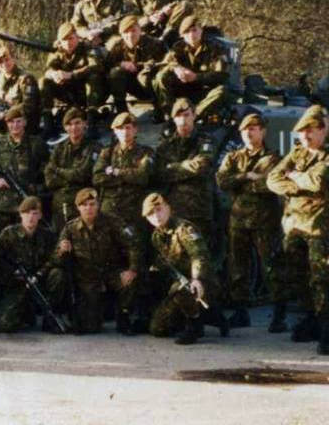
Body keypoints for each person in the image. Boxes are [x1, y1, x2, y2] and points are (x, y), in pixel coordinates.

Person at [266, 106, 329, 354]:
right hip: (294, 227)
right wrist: (296, 182)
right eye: (302, 132)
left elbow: (318, 181)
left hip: (320, 227)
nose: (305, 136)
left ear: (322, 131)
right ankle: (310, 319)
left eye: (310, 131)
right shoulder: (297, 153)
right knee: (297, 275)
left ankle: (326, 326)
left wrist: (293, 176)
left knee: (321, 277)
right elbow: (272, 179)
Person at [216, 113, 284, 330]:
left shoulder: (273, 158)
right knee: (238, 268)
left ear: (263, 131)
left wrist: (239, 183)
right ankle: (240, 312)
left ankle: (279, 316)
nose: (248, 133)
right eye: (245, 129)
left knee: (271, 267)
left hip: (265, 221)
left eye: (253, 129)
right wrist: (246, 176)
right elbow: (221, 181)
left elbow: (269, 184)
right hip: (239, 221)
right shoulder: (233, 157)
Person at [46, 188, 140, 335]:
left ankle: (124, 316)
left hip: (110, 272)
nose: (88, 208)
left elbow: (132, 245)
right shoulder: (70, 228)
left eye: (92, 204)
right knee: (90, 328)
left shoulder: (112, 222)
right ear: (78, 207)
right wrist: (62, 251)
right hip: (87, 279)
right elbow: (55, 259)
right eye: (84, 205)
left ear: (98, 205)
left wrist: (132, 269)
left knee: (129, 281)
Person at [142, 193, 229, 345]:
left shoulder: (184, 229)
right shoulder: (157, 236)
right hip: (180, 284)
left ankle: (195, 325)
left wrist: (197, 279)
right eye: (150, 214)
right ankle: (211, 315)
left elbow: (199, 255)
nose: (156, 216)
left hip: (203, 282)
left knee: (183, 289)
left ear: (168, 208)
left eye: (159, 209)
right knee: (158, 329)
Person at [154, 99, 217, 264]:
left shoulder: (205, 140)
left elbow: (202, 165)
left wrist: (173, 167)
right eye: (179, 116)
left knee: (201, 260)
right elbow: (160, 174)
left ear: (194, 115)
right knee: (176, 259)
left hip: (199, 209)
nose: (183, 120)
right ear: (173, 118)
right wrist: (187, 166)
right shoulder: (165, 146)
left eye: (187, 115)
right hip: (173, 210)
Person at [0, 197, 62, 333]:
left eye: (34, 213)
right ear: (20, 214)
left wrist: (39, 274)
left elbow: (54, 259)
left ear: (40, 215)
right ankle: (26, 313)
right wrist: (12, 273)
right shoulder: (9, 233)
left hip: (39, 282)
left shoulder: (47, 235)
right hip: (17, 284)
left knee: (57, 274)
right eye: (27, 213)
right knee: (5, 325)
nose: (31, 217)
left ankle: (49, 319)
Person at [152, 15, 230, 121]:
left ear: (201, 30)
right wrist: (176, 68)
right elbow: (165, 63)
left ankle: (193, 117)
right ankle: (173, 115)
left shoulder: (215, 48)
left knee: (222, 91)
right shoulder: (178, 47)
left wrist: (196, 77)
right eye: (187, 32)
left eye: (194, 30)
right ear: (182, 35)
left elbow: (222, 75)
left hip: (205, 90)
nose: (191, 35)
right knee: (161, 77)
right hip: (184, 89)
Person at [0, 105, 48, 232]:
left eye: (18, 121)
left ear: (24, 122)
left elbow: (47, 169)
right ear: (6, 123)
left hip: (28, 204)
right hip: (5, 206)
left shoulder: (36, 144)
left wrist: (37, 188)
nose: (15, 125)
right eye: (11, 122)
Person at [92, 112, 154, 236]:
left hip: (133, 209)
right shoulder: (107, 153)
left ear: (135, 129)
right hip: (109, 211)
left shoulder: (145, 152)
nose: (124, 132)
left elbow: (142, 177)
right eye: (120, 128)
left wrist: (116, 172)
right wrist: (129, 177)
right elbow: (97, 178)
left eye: (128, 127)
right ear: (115, 131)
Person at [39, 22, 105, 133]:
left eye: (71, 38)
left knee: (94, 77)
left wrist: (71, 74)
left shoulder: (87, 47)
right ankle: (48, 123)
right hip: (68, 93)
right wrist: (54, 74)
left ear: (77, 37)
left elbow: (95, 66)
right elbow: (48, 70)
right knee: (43, 81)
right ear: (60, 41)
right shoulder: (57, 51)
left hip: (88, 92)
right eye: (64, 40)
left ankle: (91, 122)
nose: (68, 43)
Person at [44, 108, 97, 231]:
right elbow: (49, 180)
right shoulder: (59, 148)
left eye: (77, 123)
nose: (73, 127)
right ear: (65, 127)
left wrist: (58, 171)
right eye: (69, 124)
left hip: (84, 205)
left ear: (85, 124)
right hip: (60, 206)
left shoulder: (93, 147)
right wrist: (70, 178)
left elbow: (82, 175)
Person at [104, 15, 166, 116]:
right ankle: (122, 112)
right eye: (126, 32)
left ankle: (159, 109)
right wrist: (121, 64)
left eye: (133, 31)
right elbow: (107, 64)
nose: (130, 35)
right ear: (121, 34)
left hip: (150, 84)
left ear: (140, 30)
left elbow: (159, 63)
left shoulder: (153, 43)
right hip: (132, 85)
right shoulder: (118, 46)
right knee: (115, 73)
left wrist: (136, 66)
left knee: (148, 75)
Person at [0, 45, 40, 133]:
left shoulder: (26, 79)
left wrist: (6, 114)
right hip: (3, 121)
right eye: (0, 62)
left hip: (22, 124)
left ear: (13, 59)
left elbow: (29, 106)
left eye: (7, 60)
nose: (4, 64)